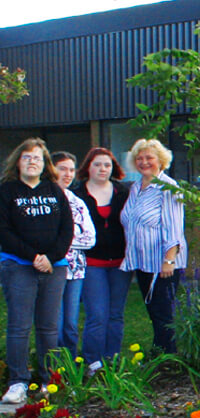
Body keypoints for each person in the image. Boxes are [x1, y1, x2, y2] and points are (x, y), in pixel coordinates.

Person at [0, 139, 73, 404]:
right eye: (27, 157)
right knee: (19, 326)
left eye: (38, 158)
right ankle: (18, 381)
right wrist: (33, 257)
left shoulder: (54, 190)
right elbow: (4, 232)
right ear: (17, 162)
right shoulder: (7, 190)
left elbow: (67, 230)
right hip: (18, 266)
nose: (33, 161)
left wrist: (50, 258)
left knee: (48, 327)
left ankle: (48, 381)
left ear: (45, 165)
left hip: (54, 267)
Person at [120, 138, 186, 355]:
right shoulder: (136, 187)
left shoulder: (168, 187)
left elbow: (174, 227)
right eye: (139, 158)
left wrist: (169, 260)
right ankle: (160, 354)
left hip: (163, 264)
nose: (144, 162)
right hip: (143, 262)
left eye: (149, 157)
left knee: (164, 314)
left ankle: (170, 359)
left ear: (161, 160)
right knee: (154, 312)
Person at [76, 147, 131, 371]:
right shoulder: (78, 194)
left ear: (113, 168)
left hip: (120, 263)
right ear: (88, 167)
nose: (102, 169)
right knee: (97, 314)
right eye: (97, 164)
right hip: (92, 264)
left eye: (107, 165)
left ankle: (112, 359)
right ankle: (92, 361)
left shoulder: (123, 192)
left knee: (116, 314)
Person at [51, 152, 96, 356]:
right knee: (54, 323)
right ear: (51, 170)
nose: (68, 174)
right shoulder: (45, 198)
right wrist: (68, 238)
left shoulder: (77, 201)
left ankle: (71, 369)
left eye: (71, 169)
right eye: (62, 168)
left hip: (76, 271)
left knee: (70, 324)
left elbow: (90, 238)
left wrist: (60, 239)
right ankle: (53, 371)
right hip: (50, 269)